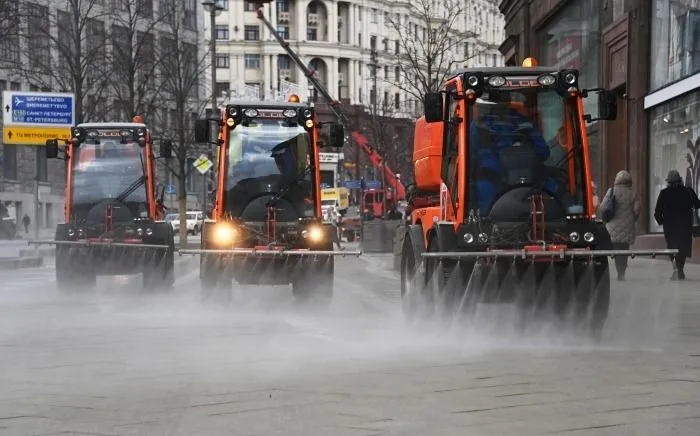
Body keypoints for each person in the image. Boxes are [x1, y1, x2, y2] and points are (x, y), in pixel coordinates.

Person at [469, 94, 550, 212]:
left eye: (503, 99)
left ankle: (557, 219)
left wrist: (526, 151)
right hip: (492, 176)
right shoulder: (479, 126)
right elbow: (470, 154)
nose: (500, 105)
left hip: (527, 174)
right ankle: (485, 223)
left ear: (508, 101)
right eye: (497, 100)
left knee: (552, 187)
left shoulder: (525, 123)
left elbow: (543, 151)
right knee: (483, 189)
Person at [654, 169, 700, 280]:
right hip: (685, 226)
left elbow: (657, 211)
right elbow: (697, 204)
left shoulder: (664, 193)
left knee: (672, 248)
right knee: (683, 249)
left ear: (668, 182)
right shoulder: (687, 191)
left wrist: (661, 222)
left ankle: (677, 269)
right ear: (680, 180)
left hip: (670, 227)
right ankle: (680, 269)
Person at [597, 170, 640, 281]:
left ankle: (613, 269)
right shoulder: (632, 193)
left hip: (612, 226)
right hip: (627, 226)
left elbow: (602, 207)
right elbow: (637, 209)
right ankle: (621, 272)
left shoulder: (611, 191)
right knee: (624, 250)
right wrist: (633, 219)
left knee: (615, 248)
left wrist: (604, 218)